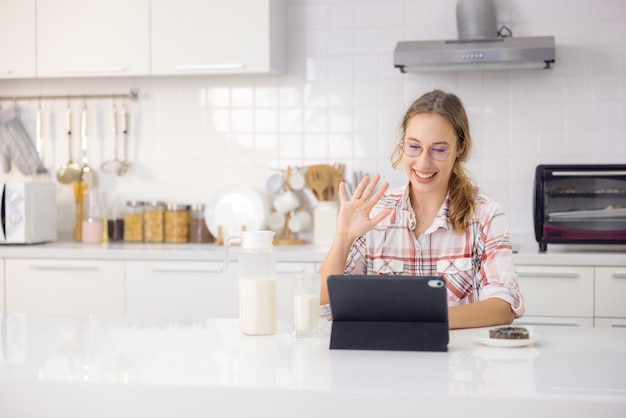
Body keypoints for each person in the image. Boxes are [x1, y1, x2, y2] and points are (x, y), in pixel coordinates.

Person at [318, 89, 524, 329]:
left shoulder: (485, 214)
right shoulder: (376, 214)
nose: (423, 163)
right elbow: (325, 306)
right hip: (386, 360)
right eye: (414, 147)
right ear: (402, 144)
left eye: (438, 149)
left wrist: (420, 319)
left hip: (459, 362)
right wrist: (343, 237)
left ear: (460, 149)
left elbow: (504, 305)